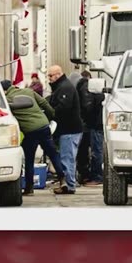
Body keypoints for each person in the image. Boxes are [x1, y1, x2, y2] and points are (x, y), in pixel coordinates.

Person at [2, 78, 65, 196]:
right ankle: (62, 179)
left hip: (30, 131)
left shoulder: (6, 100)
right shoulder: (29, 91)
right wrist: (51, 115)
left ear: (4, 91)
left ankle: (29, 188)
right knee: (53, 153)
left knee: (29, 159)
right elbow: (44, 103)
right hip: (43, 125)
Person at [46, 65, 82, 195]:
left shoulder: (65, 88)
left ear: (58, 74)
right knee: (66, 157)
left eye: (50, 76)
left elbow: (62, 108)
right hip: (68, 129)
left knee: (67, 158)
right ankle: (67, 183)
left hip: (69, 130)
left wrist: (50, 112)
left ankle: (69, 185)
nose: (49, 79)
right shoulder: (62, 87)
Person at [78, 70, 105, 186]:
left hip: (95, 124)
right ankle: (96, 175)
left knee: (96, 151)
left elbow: (87, 107)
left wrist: (85, 120)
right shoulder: (95, 88)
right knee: (97, 150)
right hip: (99, 122)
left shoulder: (85, 88)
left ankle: (97, 177)